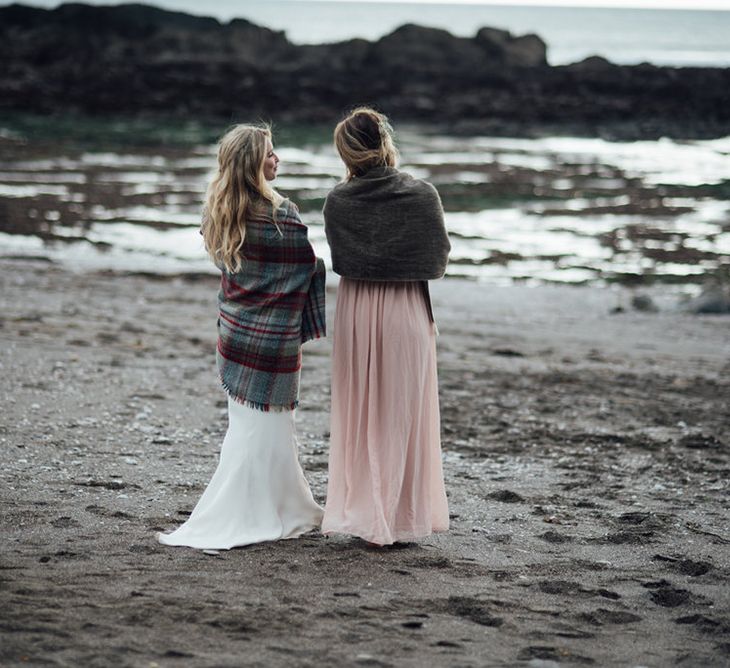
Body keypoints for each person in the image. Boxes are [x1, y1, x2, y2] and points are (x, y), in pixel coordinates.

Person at [158, 123, 326, 550]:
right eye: (270, 153)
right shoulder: (280, 212)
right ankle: (247, 515)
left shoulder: (217, 210)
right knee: (266, 430)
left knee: (252, 429)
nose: (277, 159)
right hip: (271, 341)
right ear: (253, 163)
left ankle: (289, 507)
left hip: (234, 333)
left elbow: (239, 268)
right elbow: (304, 266)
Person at [321, 107, 450, 546]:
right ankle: (401, 517)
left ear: (348, 154)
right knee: (403, 416)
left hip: (358, 309)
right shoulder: (422, 194)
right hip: (406, 309)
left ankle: (367, 515)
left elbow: (343, 258)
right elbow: (438, 258)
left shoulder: (339, 200)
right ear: (386, 144)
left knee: (363, 414)